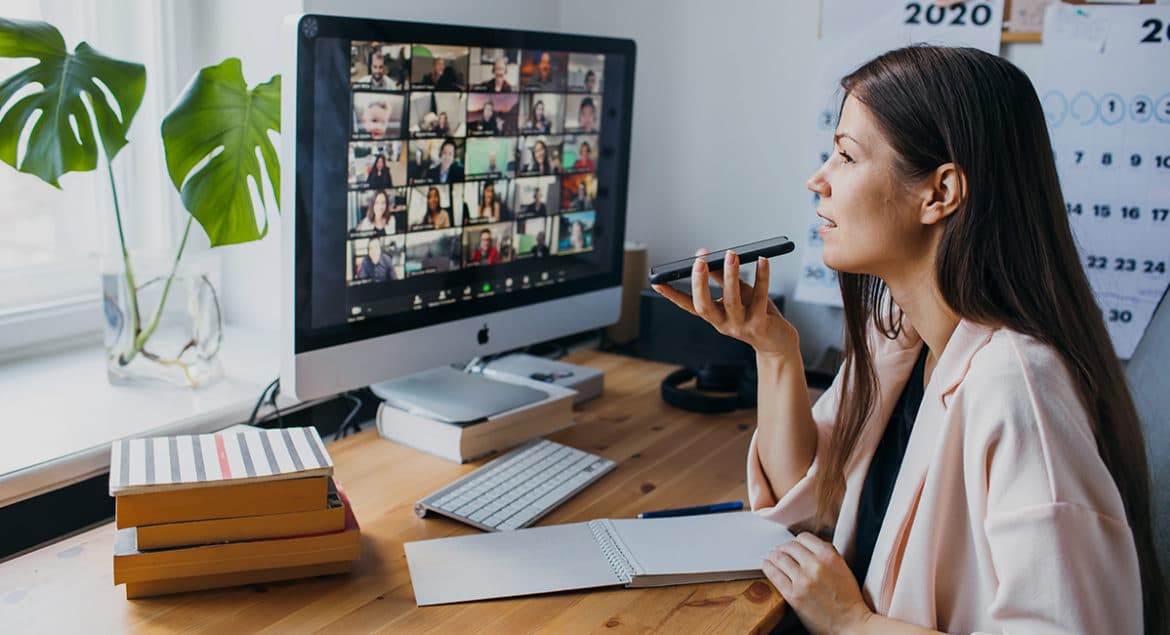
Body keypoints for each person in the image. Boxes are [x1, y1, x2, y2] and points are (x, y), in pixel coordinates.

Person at [651, 46, 1164, 635]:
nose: (817, 180)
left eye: (845, 156)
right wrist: (774, 350)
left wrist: (851, 624)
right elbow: (810, 497)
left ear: (940, 193)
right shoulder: (901, 337)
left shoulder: (1017, 387)